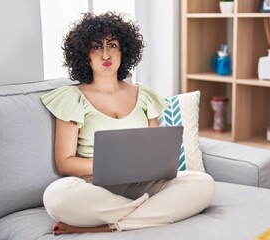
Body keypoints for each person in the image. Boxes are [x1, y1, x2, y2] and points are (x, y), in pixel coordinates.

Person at [41, 12, 215, 235]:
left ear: (124, 50)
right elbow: (64, 163)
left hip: (144, 183)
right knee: (56, 195)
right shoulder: (72, 98)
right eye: (96, 46)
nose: (106, 53)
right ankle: (151, 212)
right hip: (95, 186)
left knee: (203, 183)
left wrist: (151, 166)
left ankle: (110, 225)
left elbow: (157, 151)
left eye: (112, 45)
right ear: (85, 55)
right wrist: (109, 165)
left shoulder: (143, 94)